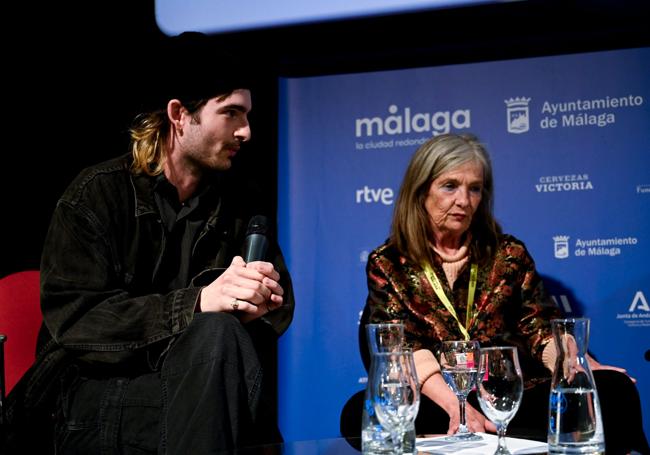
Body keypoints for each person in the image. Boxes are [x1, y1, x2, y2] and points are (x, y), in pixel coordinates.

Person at [2, 32, 294, 454]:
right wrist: (197, 302)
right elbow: (79, 323)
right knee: (215, 338)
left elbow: (278, 311)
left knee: (220, 341)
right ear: (179, 114)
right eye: (231, 113)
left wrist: (259, 301)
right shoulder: (96, 195)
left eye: (247, 115)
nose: (246, 131)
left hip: (198, 384)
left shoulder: (240, 206)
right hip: (90, 399)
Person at [364, 133, 649, 454]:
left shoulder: (508, 253)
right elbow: (401, 346)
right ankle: (477, 433)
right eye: (450, 186)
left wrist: (577, 363)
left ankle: (493, 433)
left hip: (510, 393)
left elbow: (538, 325)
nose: (464, 200)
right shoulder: (388, 263)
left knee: (611, 390)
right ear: (420, 191)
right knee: (362, 411)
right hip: (437, 396)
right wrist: (457, 408)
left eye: (475, 188)